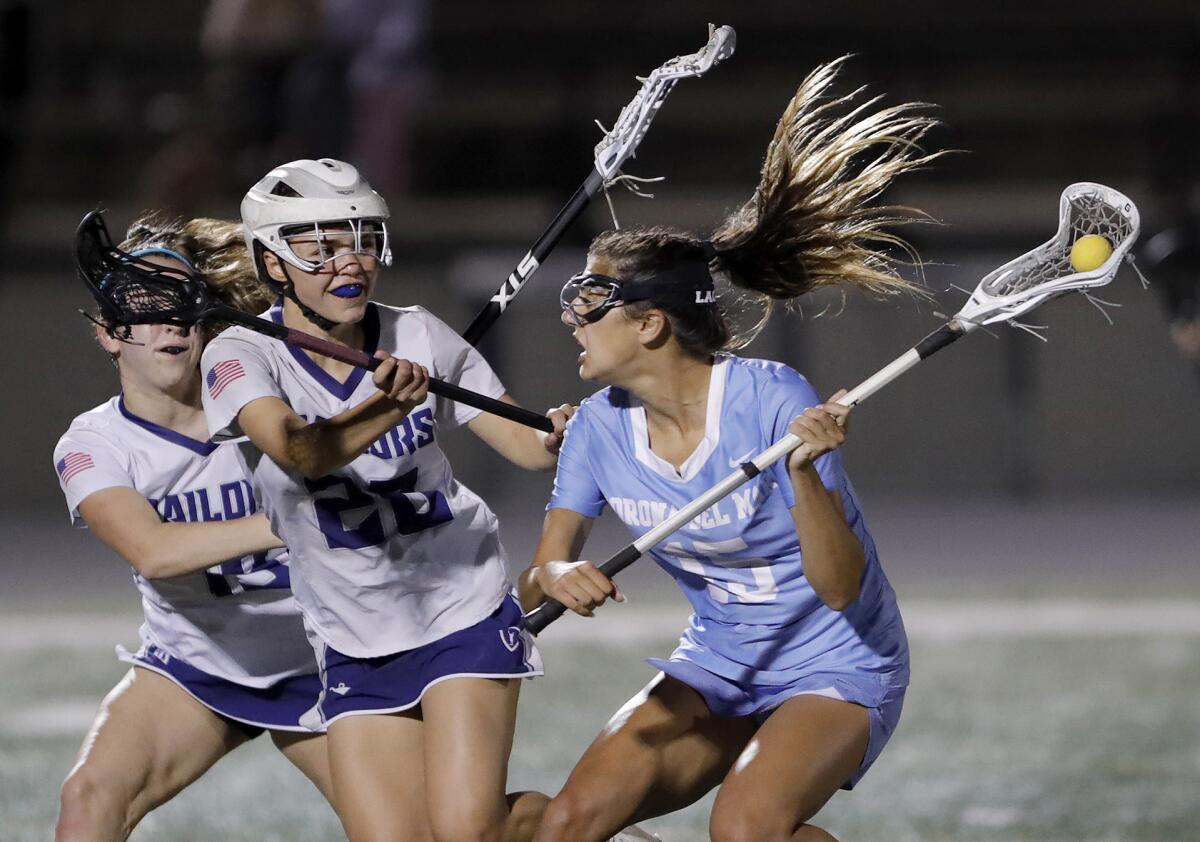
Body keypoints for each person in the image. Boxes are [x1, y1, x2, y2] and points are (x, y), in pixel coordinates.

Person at [518, 58, 944, 842]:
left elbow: (842, 589)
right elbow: (541, 570)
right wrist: (558, 576)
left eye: (592, 301)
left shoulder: (768, 398)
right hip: (718, 662)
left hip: (836, 660)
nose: (572, 317)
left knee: (745, 830)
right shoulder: (595, 426)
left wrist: (805, 473)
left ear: (650, 323)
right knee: (563, 825)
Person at [200, 158, 568, 842]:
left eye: (363, 240)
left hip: (461, 605)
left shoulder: (419, 334)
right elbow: (300, 451)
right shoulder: (238, 355)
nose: (352, 262)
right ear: (274, 264)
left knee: (466, 832)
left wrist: (559, 433)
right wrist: (384, 406)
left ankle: (601, 828)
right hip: (352, 631)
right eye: (322, 247)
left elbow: (522, 441)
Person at [52, 214, 333, 841]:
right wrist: (285, 520)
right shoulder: (94, 443)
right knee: (89, 799)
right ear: (108, 333)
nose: (171, 322)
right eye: (147, 306)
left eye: (184, 307)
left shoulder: (267, 399)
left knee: (434, 828)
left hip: (330, 660)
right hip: (199, 664)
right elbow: (152, 552)